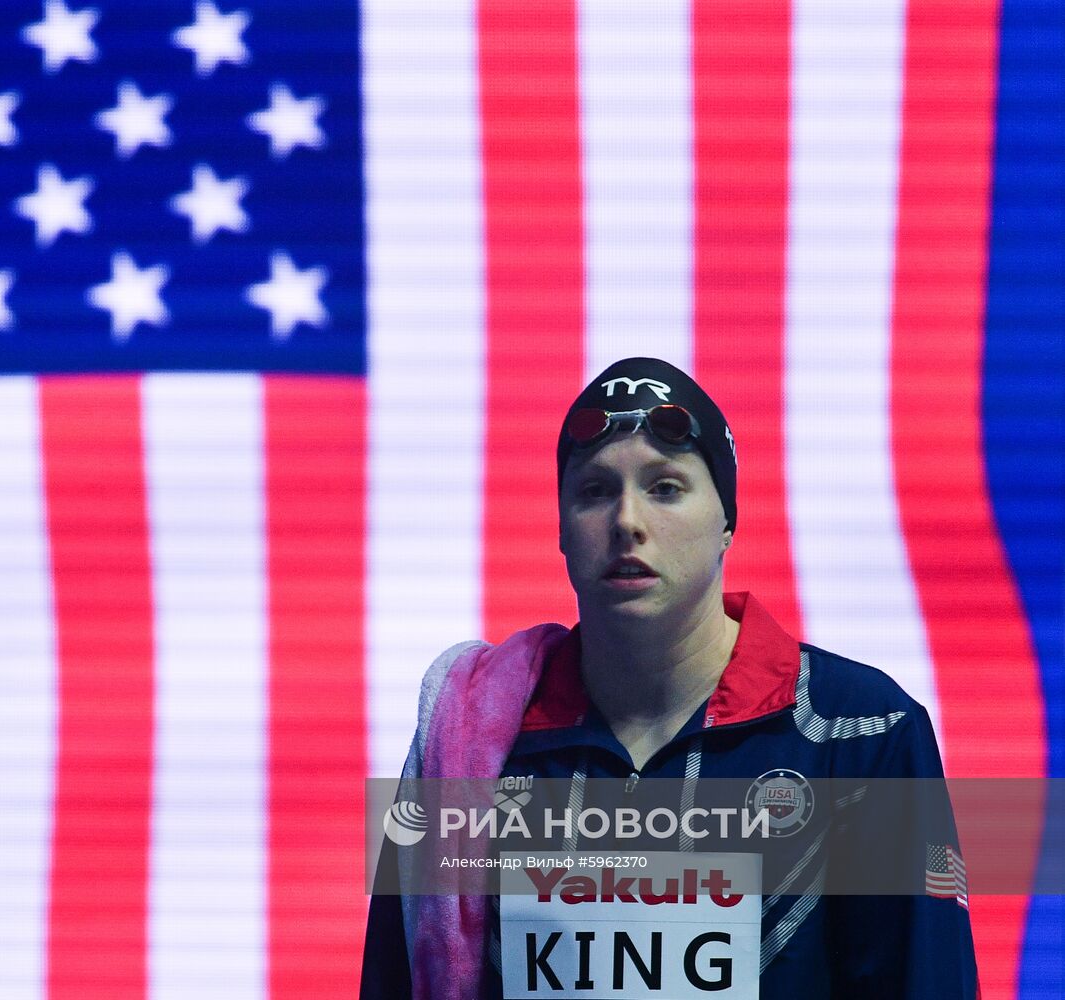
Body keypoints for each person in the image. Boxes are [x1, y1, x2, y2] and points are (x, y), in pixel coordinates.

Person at [360, 357, 978, 999]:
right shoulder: (469, 742)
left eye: (665, 488)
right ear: (563, 531)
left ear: (727, 522)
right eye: (595, 491)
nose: (627, 522)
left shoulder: (862, 733)